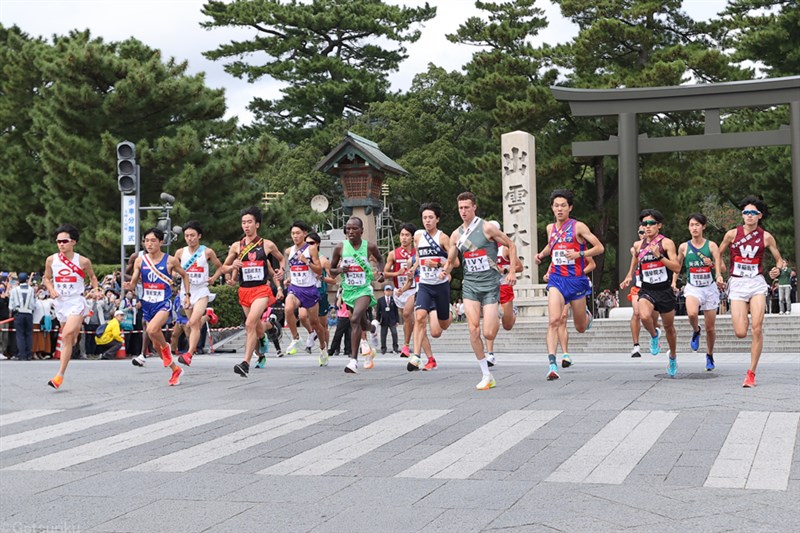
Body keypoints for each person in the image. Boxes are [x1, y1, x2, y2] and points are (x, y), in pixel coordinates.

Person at [444, 192, 520, 390]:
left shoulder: (487, 227)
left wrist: (511, 271)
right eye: (460, 208)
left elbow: (511, 245)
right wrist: (445, 271)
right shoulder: (456, 234)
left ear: (474, 207)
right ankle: (486, 374)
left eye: (467, 207)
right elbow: (452, 259)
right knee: (473, 329)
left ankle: (503, 313)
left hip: (490, 285)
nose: (463, 211)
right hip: (470, 285)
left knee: (488, 332)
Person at [535, 189, 604, 381]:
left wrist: (580, 255)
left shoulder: (578, 227)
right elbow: (552, 245)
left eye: (563, 205)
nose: (559, 209)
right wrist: (541, 254)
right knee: (554, 320)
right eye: (556, 205)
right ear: (552, 208)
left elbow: (599, 247)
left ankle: (586, 317)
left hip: (576, 281)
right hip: (557, 279)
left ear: (570, 207)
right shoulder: (550, 228)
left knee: (580, 327)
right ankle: (551, 364)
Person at [718, 196, 784, 388]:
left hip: (756, 283)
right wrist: (719, 269)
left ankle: (751, 373)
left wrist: (777, 270)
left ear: (759, 216)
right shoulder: (732, 234)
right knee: (740, 332)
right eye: (746, 212)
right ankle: (744, 312)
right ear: (742, 215)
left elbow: (779, 260)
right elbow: (718, 251)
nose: (749, 216)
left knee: (757, 328)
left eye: (753, 213)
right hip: (737, 284)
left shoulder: (766, 236)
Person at [219, 206, 284, 377]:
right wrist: (232, 266)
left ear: (257, 225)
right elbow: (223, 267)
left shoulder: (267, 244)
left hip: (261, 290)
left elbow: (282, 258)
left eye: (249, 222)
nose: (246, 226)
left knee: (249, 324)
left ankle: (245, 363)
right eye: (243, 223)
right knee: (255, 328)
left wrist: (281, 270)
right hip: (244, 291)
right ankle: (262, 349)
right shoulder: (236, 246)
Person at [124, 227, 190, 386]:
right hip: (147, 304)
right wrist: (129, 285)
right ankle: (175, 369)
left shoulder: (170, 260)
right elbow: (134, 281)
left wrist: (186, 295)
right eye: (146, 241)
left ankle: (167, 351)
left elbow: (185, 275)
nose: (149, 244)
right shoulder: (140, 261)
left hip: (163, 303)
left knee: (152, 329)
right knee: (155, 344)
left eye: (153, 240)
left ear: (161, 242)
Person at [42, 224, 102, 389]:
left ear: (73, 242)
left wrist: (96, 290)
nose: (61, 244)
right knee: (70, 336)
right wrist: (51, 289)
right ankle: (75, 336)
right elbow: (46, 278)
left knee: (67, 335)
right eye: (58, 241)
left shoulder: (83, 261)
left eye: (64, 241)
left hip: (76, 301)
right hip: (60, 302)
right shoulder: (51, 260)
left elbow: (93, 278)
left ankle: (59, 376)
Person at [626, 210, 681, 376]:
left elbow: (677, 267)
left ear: (659, 225)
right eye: (644, 224)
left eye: (651, 224)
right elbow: (635, 260)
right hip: (647, 289)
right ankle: (654, 334)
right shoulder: (638, 245)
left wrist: (659, 257)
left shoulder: (667, 243)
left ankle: (672, 356)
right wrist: (629, 275)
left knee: (669, 327)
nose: (647, 227)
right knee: (643, 316)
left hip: (664, 290)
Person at [329, 216, 384, 374]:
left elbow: (380, 260)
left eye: (354, 229)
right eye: (348, 229)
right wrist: (339, 270)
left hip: (364, 289)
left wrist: (380, 272)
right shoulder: (340, 248)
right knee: (361, 323)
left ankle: (353, 361)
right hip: (348, 291)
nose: (350, 231)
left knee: (353, 320)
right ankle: (372, 328)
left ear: (361, 231)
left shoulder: (369, 247)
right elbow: (331, 270)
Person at [672, 213, 724, 371]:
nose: (694, 228)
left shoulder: (712, 246)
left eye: (697, 225)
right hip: (693, 287)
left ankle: (709, 354)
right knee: (692, 314)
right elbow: (677, 265)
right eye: (691, 225)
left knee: (711, 328)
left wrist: (713, 266)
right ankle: (696, 330)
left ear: (703, 226)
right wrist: (673, 281)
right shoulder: (684, 247)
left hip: (709, 288)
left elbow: (722, 268)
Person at [172, 221, 225, 366]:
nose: (190, 238)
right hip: (186, 292)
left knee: (193, 322)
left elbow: (220, 267)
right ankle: (208, 316)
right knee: (192, 326)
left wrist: (213, 278)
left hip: (201, 290)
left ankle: (188, 354)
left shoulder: (207, 252)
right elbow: (171, 268)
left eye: (193, 235)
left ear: (199, 236)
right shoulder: (180, 253)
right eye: (187, 236)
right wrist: (174, 275)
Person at [408, 202, 452, 372]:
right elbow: (419, 257)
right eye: (424, 218)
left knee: (439, 330)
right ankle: (416, 356)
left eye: (431, 218)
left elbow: (453, 261)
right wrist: (413, 268)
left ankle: (450, 314)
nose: (427, 221)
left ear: (437, 219)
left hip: (440, 286)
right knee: (419, 317)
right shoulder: (418, 238)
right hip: (424, 284)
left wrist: (440, 266)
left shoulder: (443, 238)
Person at [282, 221, 327, 365]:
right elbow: (291, 268)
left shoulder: (311, 249)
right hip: (295, 288)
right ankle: (296, 338)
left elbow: (319, 270)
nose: (295, 236)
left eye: (298, 233)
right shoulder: (289, 251)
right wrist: (286, 278)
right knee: (288, 309)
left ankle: (322, 348)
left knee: (315, 322)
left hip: (310, 289)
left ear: (304, 234)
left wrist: (306, 261)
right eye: (293, 233)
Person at [542, 255, 596, 367]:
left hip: (576, 284)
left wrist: (578, 272)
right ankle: (565, 354)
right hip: (561, 285)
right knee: (562, 318)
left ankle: (586, 315)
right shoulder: (556, 248)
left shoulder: (578, 243)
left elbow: (592, 264)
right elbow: (550, 270)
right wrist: (547, 276)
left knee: (580, 327)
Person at [485, 221, 524, 364]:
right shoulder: (483, 249)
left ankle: (512, 312)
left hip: (504, 286)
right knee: (490, 320)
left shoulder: (505, 249)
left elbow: (520, 267)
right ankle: (490, 353)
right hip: (489, 288)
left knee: (507, 325)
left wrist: (506, 270)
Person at [383, 223, 418, 357]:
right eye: (402, 235)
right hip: (399, 290)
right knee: (407, 318)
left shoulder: (418, 252)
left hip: (414, 288)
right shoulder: (393, 254)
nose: (404, 238)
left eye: (407, 235)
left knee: (407, 314)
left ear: (412, 237)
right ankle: (410, 342)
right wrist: (396, 273)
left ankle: (406, 345)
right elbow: (385, 273)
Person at [9, 272, 36, 361]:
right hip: (28, 313)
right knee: (28, 334)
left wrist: (13, 309)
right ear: (27, 279)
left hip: (19, 313)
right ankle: (29, 354)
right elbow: (33, 303)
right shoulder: (31, 290)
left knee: (20, 334)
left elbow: (11, 305)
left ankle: (22, 354)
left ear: (19, 280)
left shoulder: (14, 290)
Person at [327, 289, 352, 358]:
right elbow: (337, 305)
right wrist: (341, 295)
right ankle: (332, 349)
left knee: (349, 334)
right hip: (342, 317)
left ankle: (349, 350)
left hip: (350, 316)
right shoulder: (340, 296)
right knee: (338, 334)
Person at [376, 285, 400, 354]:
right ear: (384, 291)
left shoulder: (393, 300)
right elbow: (378, 311)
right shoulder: (380, 300)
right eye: (387, 290)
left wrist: (397, 320)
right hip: (384, 320)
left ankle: (395, 348)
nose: (388, 292)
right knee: (383, 335)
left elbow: (396, 311)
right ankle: (383, 348)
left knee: (394, 333)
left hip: (392, 320)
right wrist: (378, 319)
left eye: (389, 290)